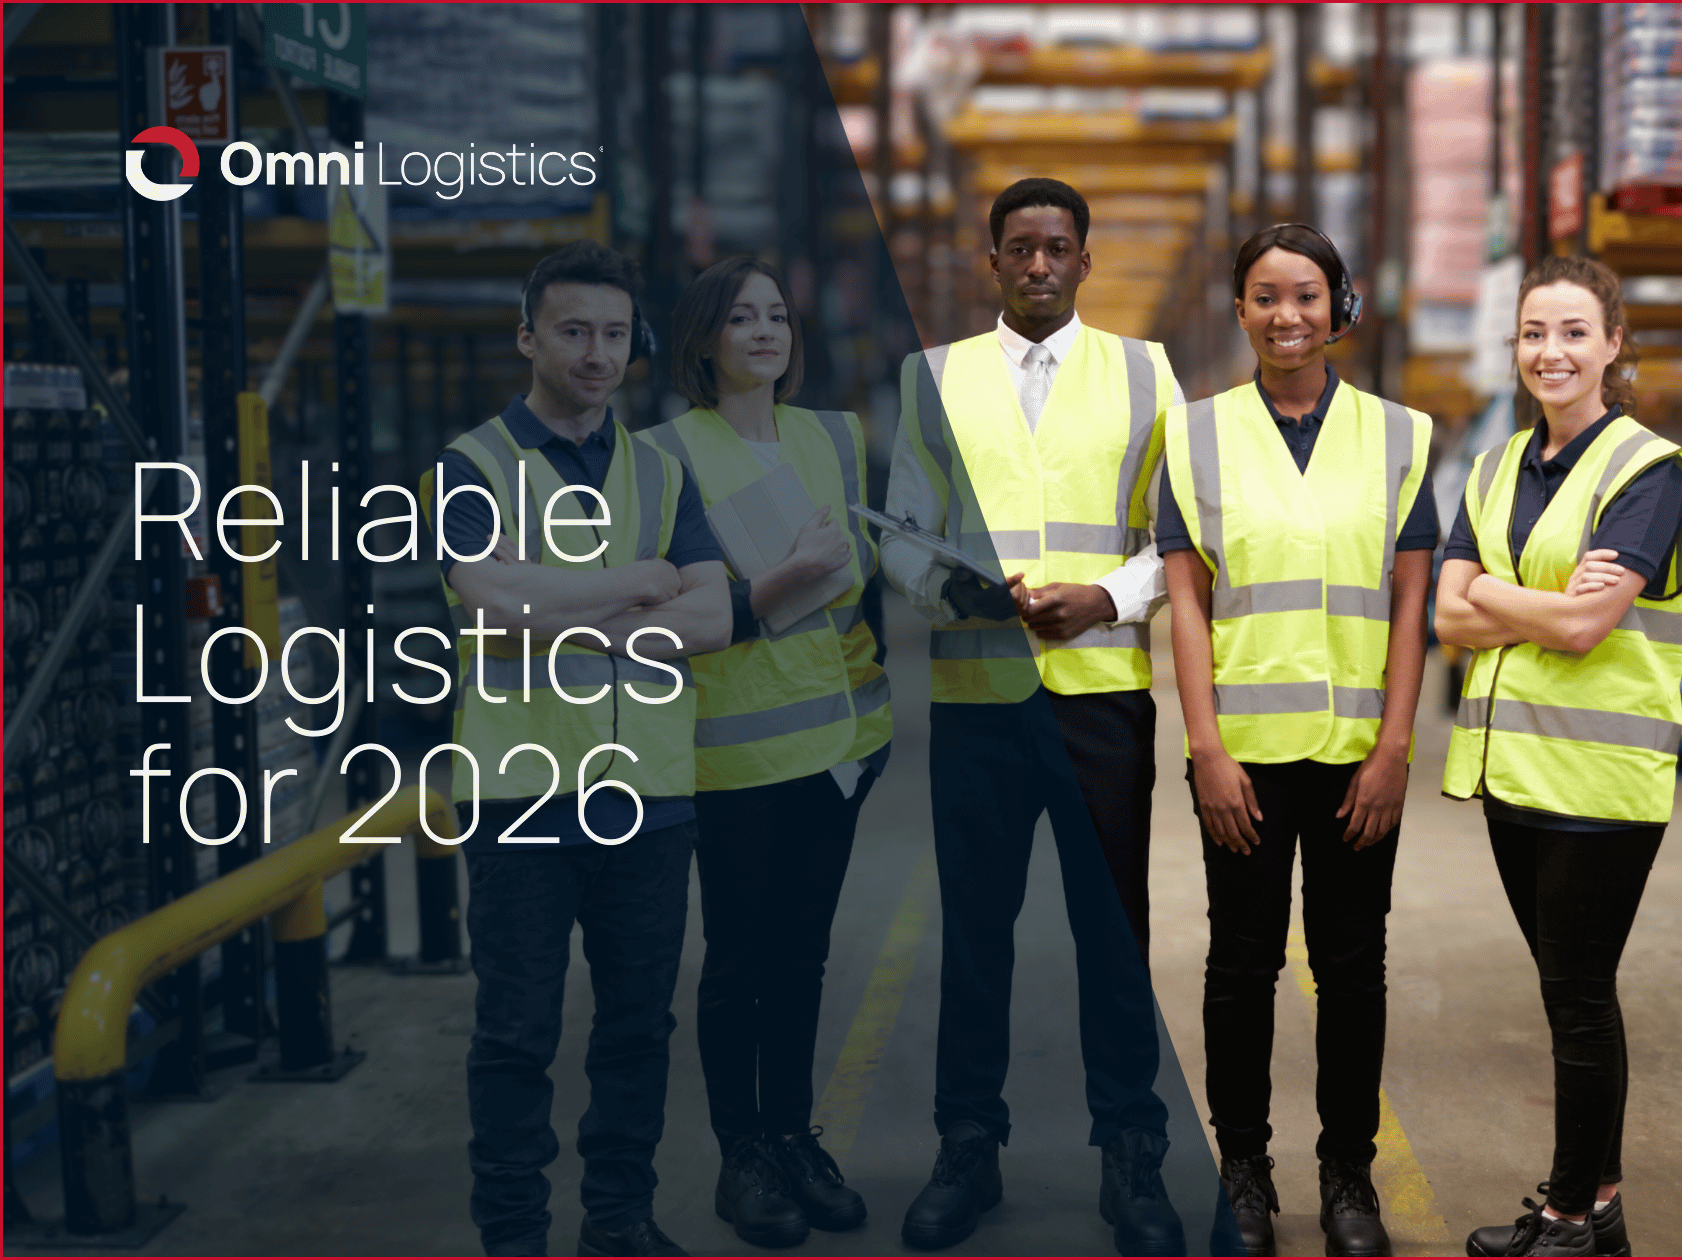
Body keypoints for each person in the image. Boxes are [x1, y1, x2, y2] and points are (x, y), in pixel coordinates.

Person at [883, 176, 1188, 1256]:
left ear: (1084, 261)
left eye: (1059, 247)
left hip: (1101, 696)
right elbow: (902, 529)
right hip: (976, 698)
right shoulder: (934, 378)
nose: (1040, 264)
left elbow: (1178, 539)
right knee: (975, 938)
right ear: (993, 259)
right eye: (1021, 247)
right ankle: (966, 1149)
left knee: (1114, 937)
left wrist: (1105, 597)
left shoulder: (1146, 373)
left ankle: (1132, 1156)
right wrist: (950, 592)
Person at [422, 240, 732, 1258]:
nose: (596, 353)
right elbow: (490, 596)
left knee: (639, 1026)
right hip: (520, 796)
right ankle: (512, 1234)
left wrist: (563, 608)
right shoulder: (473, 466)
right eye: (571, 331)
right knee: (516, 1031)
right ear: (529, 338)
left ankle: (618, 1220)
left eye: (611, 333)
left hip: (647, 795)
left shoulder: (659, 467)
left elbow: (716, 616)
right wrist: (645, 583)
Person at [1160, 223, 1437, 1259]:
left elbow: (1410, 604)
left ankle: (1346, 1175)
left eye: (1307, 296)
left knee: (1351, 965)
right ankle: (1241, 1169)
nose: (1287, 316)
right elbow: (1185, 607)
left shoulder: (1399, 435)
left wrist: (1395, 748)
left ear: (1340, 307)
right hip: (1244, 756)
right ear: (1238, 311)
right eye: (1266, 297)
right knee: (1238, 966)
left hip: (1358, 755)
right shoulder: (1193, 437)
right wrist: (1205, 750)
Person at [1433, 255, 1682, 1258]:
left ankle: (1566, 1214)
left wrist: (1501, 598)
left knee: (1578, 998)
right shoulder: (1494, 465)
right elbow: (1443, 614)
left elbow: (1587, 627)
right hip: (1513, 777)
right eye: (1531, 334)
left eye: (1570, 333)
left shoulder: (1648, 469)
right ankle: (1596, 1206)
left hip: (1600, 783)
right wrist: (1536, 608)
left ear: (1611, 346)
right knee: (1569, 995)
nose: (1548, 353)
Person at [640, 257, 892, 1249]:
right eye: (739, 318)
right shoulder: (665, 456)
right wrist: (795, 572)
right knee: (738, 959)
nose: (764, 331)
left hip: (838, 744)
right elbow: (686, 610)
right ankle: (740, 1154)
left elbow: (859, 584)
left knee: (803, 956)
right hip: (731, 753)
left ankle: (791, 1137)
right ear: (702, 341)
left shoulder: (833, 436)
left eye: (776, 315)